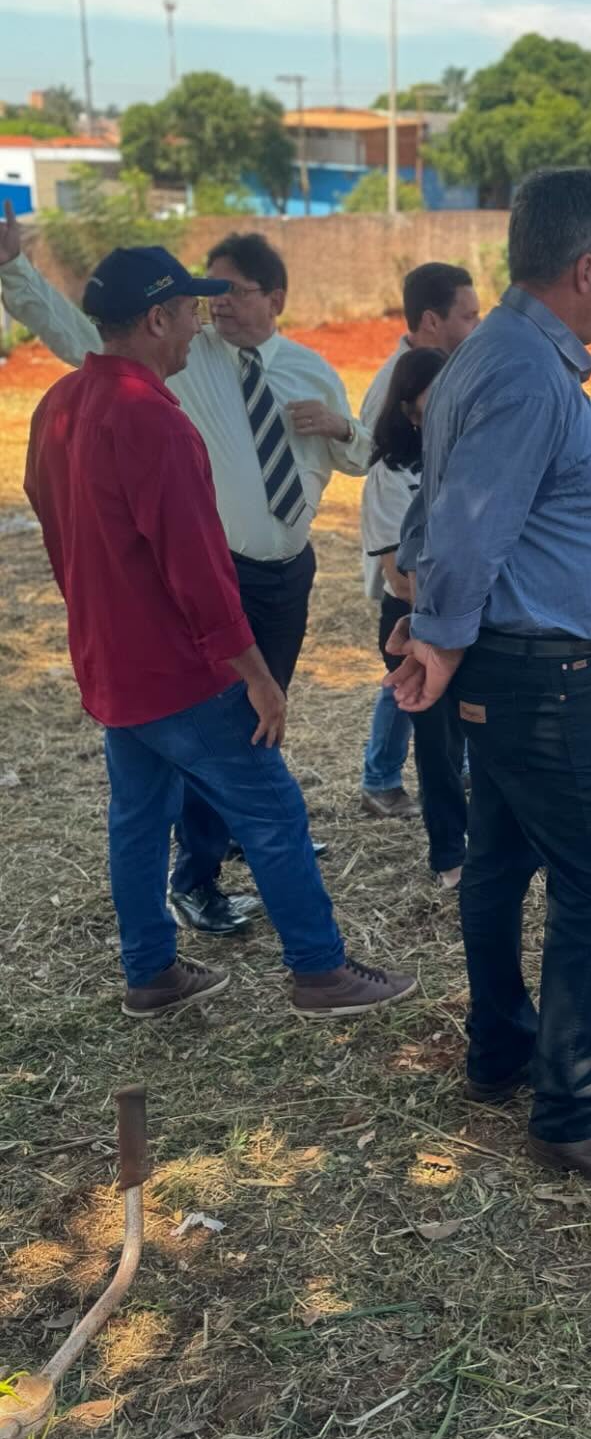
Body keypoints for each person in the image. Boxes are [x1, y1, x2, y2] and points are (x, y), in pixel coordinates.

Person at [385, 166, 591, 1194]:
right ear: (589, 267)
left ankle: (502, 1048)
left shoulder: (494, 355)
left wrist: (435, 624)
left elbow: (444, 500)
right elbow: (467, 530)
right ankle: (572, 1109)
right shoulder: (520, 369)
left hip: (526, 671)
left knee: (504, 854)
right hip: (545, 676)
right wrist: (435, 633)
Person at [22, 245, 417, 1020]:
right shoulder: (153, 421)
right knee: (271, 810)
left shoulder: (60, 405)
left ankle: (151, 970)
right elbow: (199, 573)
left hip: (114, 663)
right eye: (188, 313)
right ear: (157, 318)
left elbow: (56, 524)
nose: (196, 326)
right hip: (180, 669)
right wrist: (256, 676)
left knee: (137, 817)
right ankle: (319, 968)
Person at [357, 263, 480, 821]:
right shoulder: (397, 436)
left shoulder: (456, 386)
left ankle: (447, 777)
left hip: (446, 599)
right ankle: (382, 776)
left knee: (427, 695)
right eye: (469, 315)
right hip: (415, 601)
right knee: (404, 685)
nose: (478, 325)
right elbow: (395, 571)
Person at [361, 348, 468, 887]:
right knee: (437, 745)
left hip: (465, 620)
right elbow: (399, 577)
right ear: (409, 409)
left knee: (471, 737)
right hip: (415, 622)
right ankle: (450, 856)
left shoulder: (469, 456)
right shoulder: (390, 473)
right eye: (435, 396)